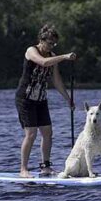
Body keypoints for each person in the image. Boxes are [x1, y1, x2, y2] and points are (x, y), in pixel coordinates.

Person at [15, 24, 76, 178]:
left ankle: (45, 167)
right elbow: (43, 62)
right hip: (26, 99)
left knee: (48, 133)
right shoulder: (31, 51)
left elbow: (56, 81)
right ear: (41, 40)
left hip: (40, 99)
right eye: (49, 43)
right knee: (31, 134)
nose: (51, 46)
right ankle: (23, 169)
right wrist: (63, 57)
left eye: (54, 44)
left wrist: (68, 99)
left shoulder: (52, 56)